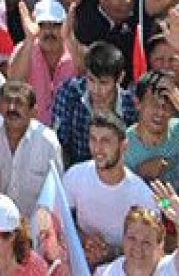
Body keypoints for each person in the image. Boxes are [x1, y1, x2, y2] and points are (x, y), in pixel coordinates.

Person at [63, 111, 156, 266]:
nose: (98, 148)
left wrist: (111, 253)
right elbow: (58, 219)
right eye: (93, 139)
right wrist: (83, 240)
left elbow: (152, 251)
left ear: (123, 145)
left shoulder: (143, 196)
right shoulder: (75, 175)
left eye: (105, 141)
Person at [0, 81, 64, 213]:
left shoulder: (47, 142)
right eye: (7, 101)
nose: (12, 108)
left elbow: (56, 193)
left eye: (19, 103)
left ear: (33, 111)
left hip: (34, 225)